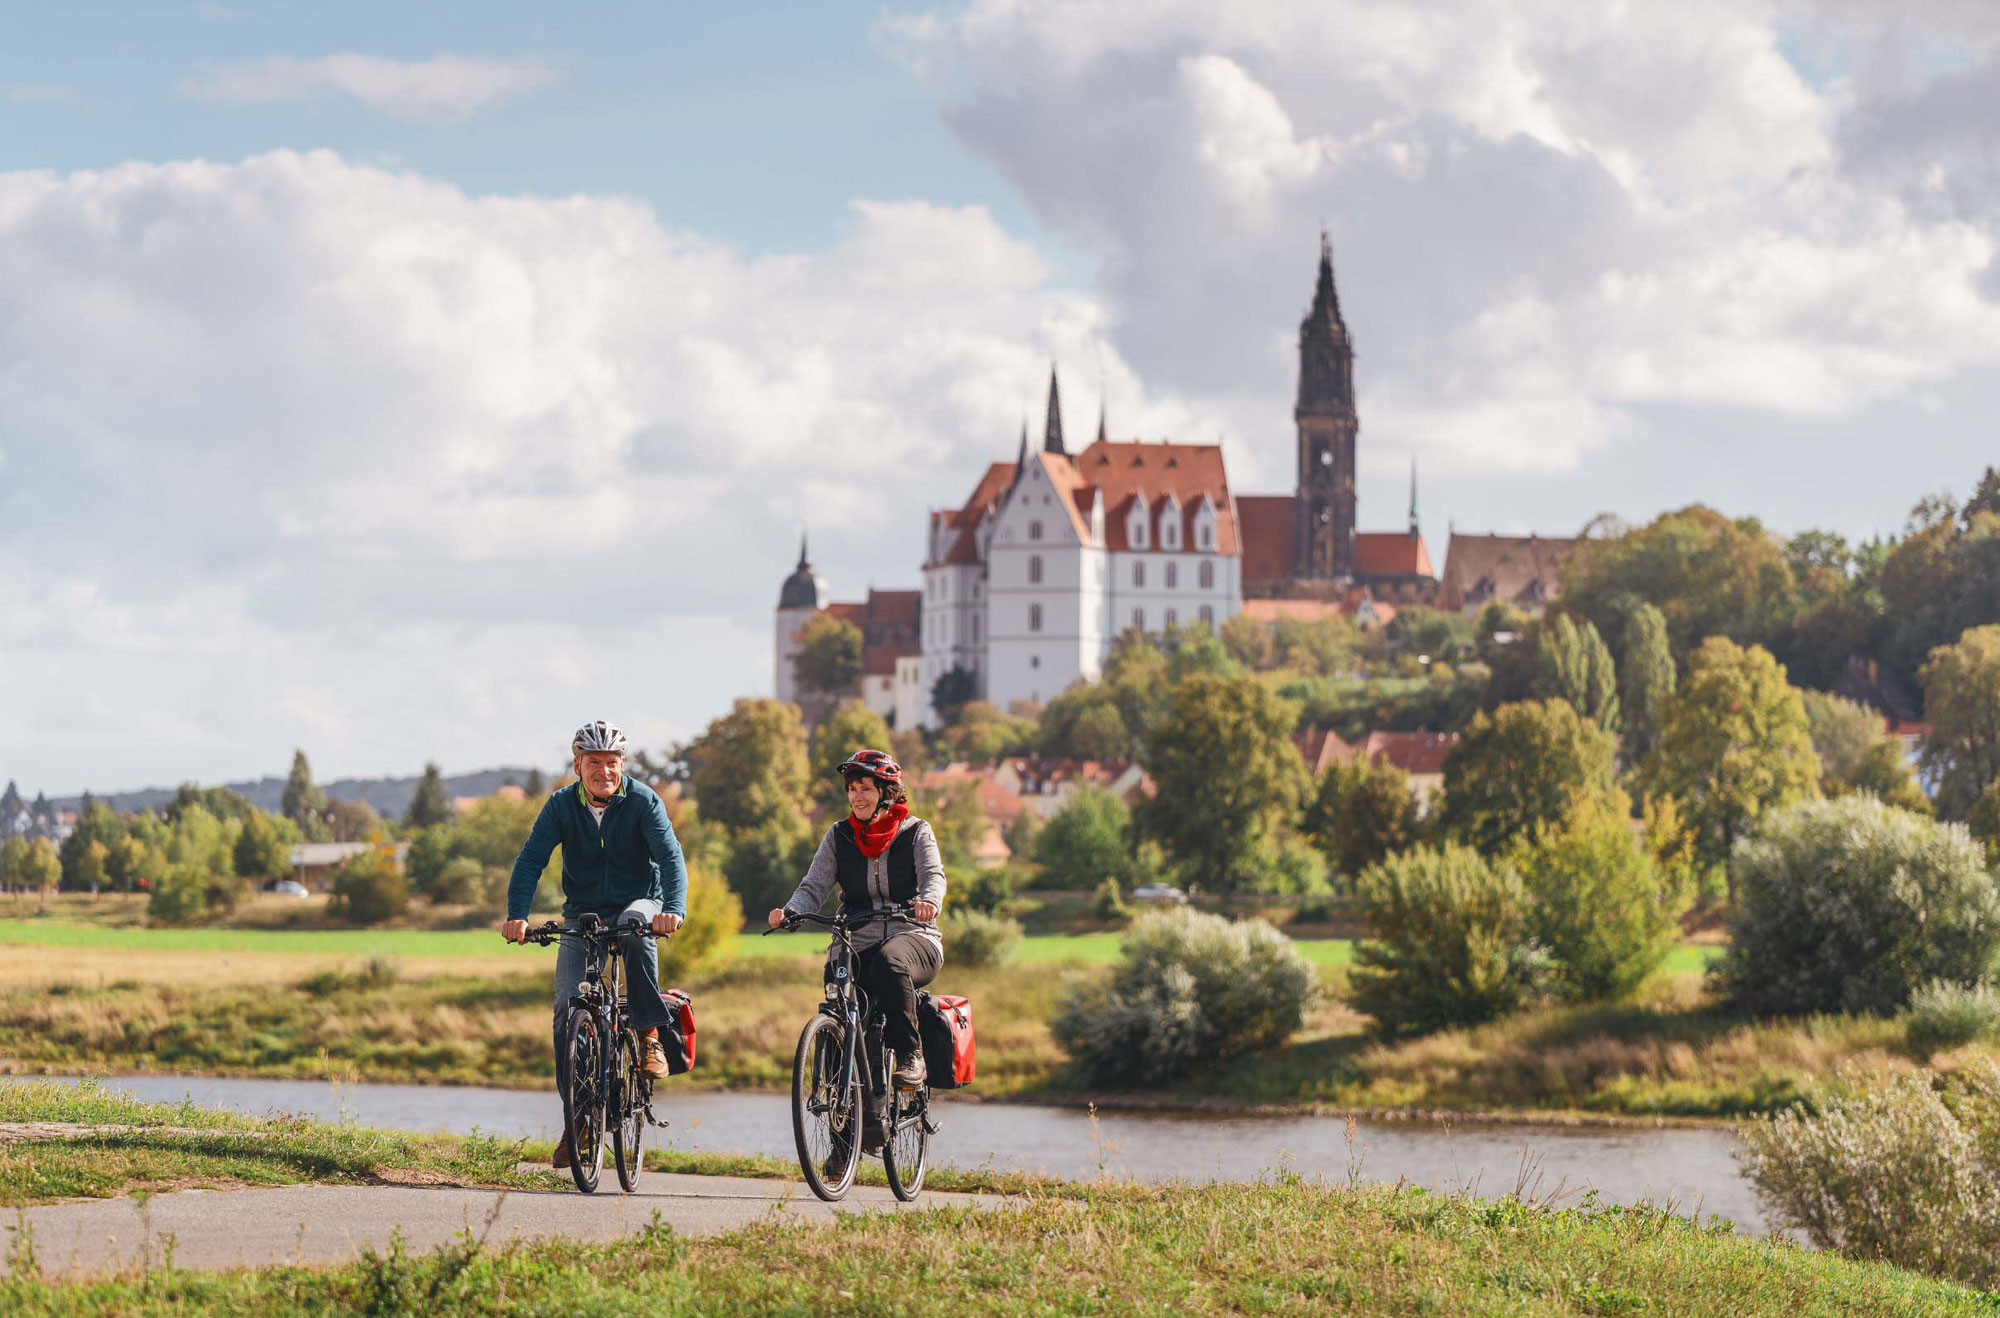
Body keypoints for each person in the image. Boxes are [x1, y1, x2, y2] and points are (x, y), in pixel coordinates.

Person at [503, 719, 686, 1168]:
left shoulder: (644, 801)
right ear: (578, 765)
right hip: (582, 908)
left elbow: (670, 856)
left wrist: (674, 909)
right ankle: (579, 1119)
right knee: (567, 1013)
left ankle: (646, 1035)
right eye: (593, 762)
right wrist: (517, 916)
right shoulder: (560, 806)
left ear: (623, 764)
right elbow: (531, 862)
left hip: (641, 900)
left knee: (637, 928)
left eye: (612, 762)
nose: (604, 770)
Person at [768, 748, 945, 1089]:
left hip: (915, 936)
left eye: (865, 788)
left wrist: (929, 901)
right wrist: (790, 911)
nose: (856, 796)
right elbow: (813, 886)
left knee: (889, 960)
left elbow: (934, 876)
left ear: (885, 793)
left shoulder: (916, 832)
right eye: (852, 789)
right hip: (855, 938)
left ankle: (911, 1055)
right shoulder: (839, 836)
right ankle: (840, 1110)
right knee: (837, 998)